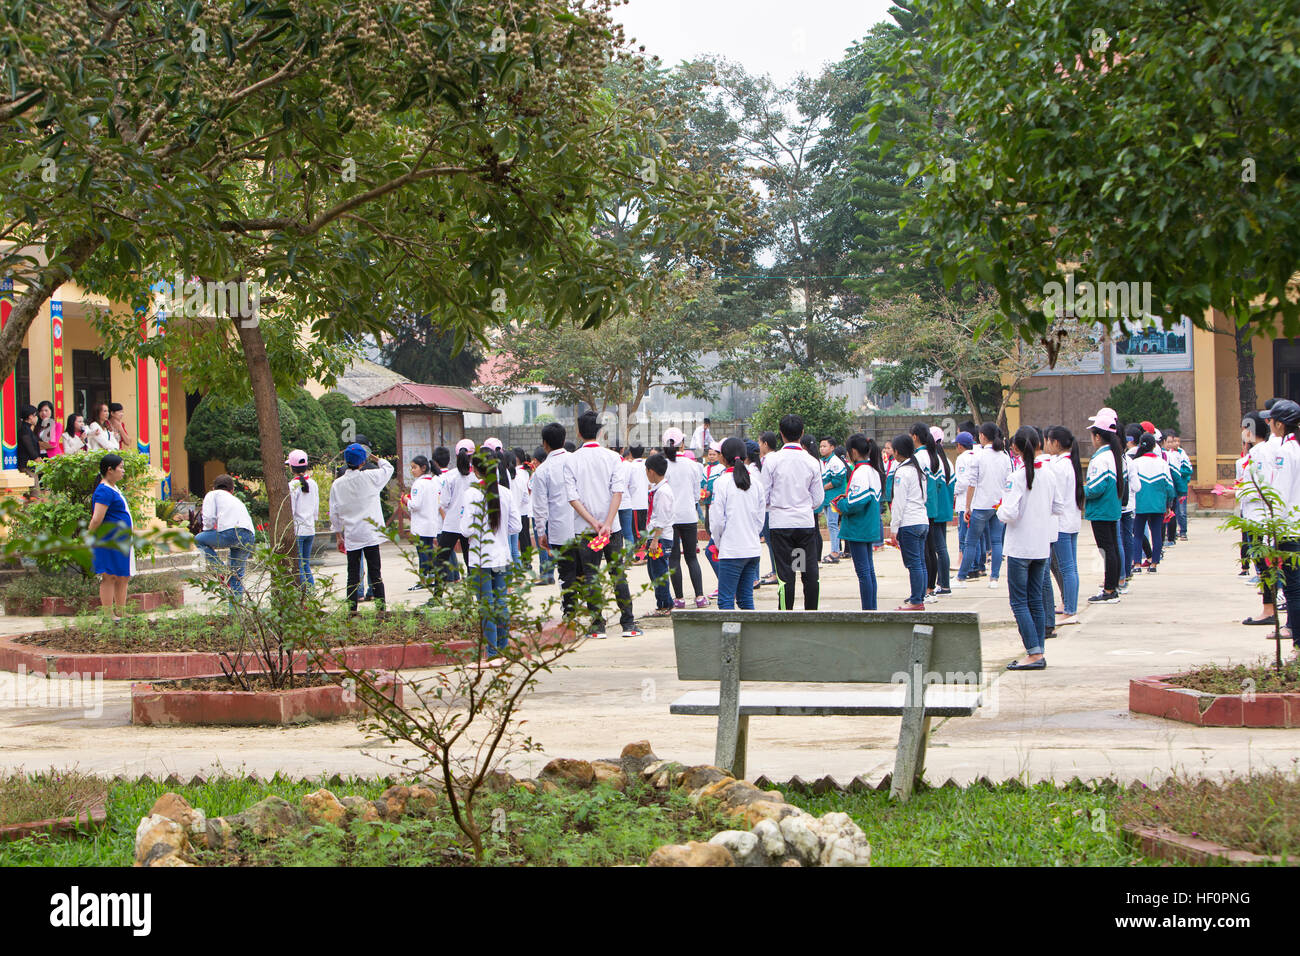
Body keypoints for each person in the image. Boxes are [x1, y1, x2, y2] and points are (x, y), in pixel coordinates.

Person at [564, 411, 640, 638]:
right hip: (611, 528)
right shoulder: (613, 458)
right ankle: (628, 624)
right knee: (618, 574)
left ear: (578, 432)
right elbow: (618, 491)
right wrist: (606, 523)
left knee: (590, 575)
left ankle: (597, 626)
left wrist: (593, 522)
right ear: (600, 431)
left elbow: (572, 497)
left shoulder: (571, 460)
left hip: (586, 529)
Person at [1001, 427, 1059, 671]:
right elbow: (1058, 507)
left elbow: (1009, 513)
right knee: (1036, 600)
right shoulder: (1049, 474)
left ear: (1015, 447)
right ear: (1038, 445)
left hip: (1019, 547)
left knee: (1019, 602)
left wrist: (998, 509)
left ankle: (1033, 652)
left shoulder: (1017, 477)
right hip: (1040, 545)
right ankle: (1039, 650)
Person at [762, 414, 825, 610]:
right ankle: (810, 614)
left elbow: (764, 495)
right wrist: (804, 506)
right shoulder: (812, 462)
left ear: (781, 434)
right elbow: (818, 499)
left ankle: (786, 616)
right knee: (806, 571)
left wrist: (776, 505)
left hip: (781, 526)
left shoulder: (772, 461)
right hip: (803, 525)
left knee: (785, 574)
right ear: (802, 433)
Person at [462, 448, 520, 658]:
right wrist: (501, 531)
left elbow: (466, 529)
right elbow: (516, 526)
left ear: (475, 470)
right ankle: (503, 649)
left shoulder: (471, 494)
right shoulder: (505, 493)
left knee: (486, 605)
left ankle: (492, 651)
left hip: (480, 559)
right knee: (501, 603)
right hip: (502, 556)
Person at [331, 443, 395, 615]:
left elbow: (334, 513)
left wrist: (339, 536)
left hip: (352, 535)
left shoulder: (337, 485)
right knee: (375, 573)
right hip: (370, 533)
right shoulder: (371, 477)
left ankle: (352, 611)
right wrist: (373, 457)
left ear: (345, 461)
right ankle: (381, 610)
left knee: (352, 574)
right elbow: (388, 467)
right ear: (362, 462)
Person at [1259, 400, 1300, 651]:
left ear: (1279, 424)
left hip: (1289, 529)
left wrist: (1271, 533)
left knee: (1294, 589)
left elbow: (1280, 495)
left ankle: (1297, 643)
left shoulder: (1286, 453)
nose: (1269, 424)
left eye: (1271, 420)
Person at [709, 436, 765, 610]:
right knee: (746, 599)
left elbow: (717, 521)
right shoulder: (755, 482)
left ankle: (730, 638)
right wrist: (751, 534)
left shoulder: (721, 482)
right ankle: (752, 637)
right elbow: (759, 519)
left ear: (723, 458)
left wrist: (719, 543)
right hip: (752, 549)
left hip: (732, 549)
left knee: (725, 601)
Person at [834, 433, 884, 610]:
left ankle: (867, 611)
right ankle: (872, 608)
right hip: (868, 526)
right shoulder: (873, 470)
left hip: (858, 528)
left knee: (863, 572)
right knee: (869, 570)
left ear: (853, 452)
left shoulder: (860, 472)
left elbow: (856, 503)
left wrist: (841, 503)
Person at [661, 427, 708, 609]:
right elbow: (697, 495)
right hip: (688, 515)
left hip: (670, 518)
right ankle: (699, 597)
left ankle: (679, 599)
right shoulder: (694, 466)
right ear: (682, 444)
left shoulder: (663, 466)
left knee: (673, 559)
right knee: (691, 558)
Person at [1084, 407, 1128, 604]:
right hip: (1112, 508)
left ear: (1098, 437)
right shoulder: (1115, 456)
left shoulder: (1100, 459)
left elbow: (1095, 488)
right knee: (1112, 548)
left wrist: (1079, 491)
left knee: (1107, 549)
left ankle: (1109, 589)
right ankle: (1114, 586)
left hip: (1100, 509)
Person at [532, 423, 576, 608]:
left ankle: (570, 609)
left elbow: (540, 506)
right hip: (583, 525)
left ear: (544, 444)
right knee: (586, 571)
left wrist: (541, 532)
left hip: (559, 529)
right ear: (564, 440)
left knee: (565, 573)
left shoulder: (542, 470)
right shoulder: (576, 460)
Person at [87, 453, 134, 621]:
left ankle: (121, 610)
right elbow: (97, 518)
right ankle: (108, 614)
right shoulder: (103, 490)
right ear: (109, 470)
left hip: (121, 540)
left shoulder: (113, 488)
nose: (123, 471)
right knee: (109, 575)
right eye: (120, 467)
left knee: (122, 575)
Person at [196, 474, 257, 600]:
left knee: (199, 539)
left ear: (214, 487)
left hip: (231, 533)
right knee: (236, 578)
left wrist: (208, 533)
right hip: (248, 536)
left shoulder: (212, 495)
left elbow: (208, 519)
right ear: (232, 490)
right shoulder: (236, 500)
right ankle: (236, 614)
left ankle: (221, 570)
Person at [1045, 426, 1083, 627]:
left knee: (1067, 567)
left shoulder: (1059, 467)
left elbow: (1054, 496)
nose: (1046, 445)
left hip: (1062, 523)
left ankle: (1070, 610)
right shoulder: (1068, 463)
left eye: (1048, 441)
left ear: (1056, 443)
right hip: (1071, 520)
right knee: (1070, 567)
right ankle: (1069, 606)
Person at [887, 433, 929, 610]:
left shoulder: (902, 472)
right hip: (922, 520)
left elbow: (899, 502)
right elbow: (924, 497)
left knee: (913, 563)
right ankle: (920, 596)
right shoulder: (918, 471)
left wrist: (893, 528)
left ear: (896, 452)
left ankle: (916, 600)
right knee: (920, 562)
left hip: (909, 522)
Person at [911, 424, 953, 600]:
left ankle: (934, 586)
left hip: (929, 508)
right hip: (938, 508)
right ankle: (938, 585)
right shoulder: (940, 459)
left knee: (931, 549)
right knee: (935, 548)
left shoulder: (922, 457)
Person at [1130, 431, 1174, 573]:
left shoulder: (1135, 463)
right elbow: (1169, 487)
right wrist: (1168, 505)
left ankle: (1136, 564)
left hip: (1139, 504)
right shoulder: (1162, 463)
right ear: (1154, 445)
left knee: (1137, 534)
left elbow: (1131, 484)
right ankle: (1154, 564)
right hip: (1158, 504)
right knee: (1156, 534)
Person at [436, 439, 476, 589]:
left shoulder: (450, 476)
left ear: (456, 455)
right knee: (470, 559)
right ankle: (472, 592)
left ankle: (437, 594)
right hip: (469, 522)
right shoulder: (476, 476)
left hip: (451, 523)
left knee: (441, 559)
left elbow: (444, 502)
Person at [642, 454, 677, 616]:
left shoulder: (663, 492)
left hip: (661, 538)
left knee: (659, 571)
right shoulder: (658, 489)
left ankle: (665, 605)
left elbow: (661, 518)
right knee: (654, 570)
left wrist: (655, 540)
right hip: (656, 536)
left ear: (651, 471)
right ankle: (663, 603)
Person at [404, 454, 443, 591]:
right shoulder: (433, 482)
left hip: (421, 525)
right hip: (431, 523)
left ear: (423, 468)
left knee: (422, 553)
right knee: (429, 551)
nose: (412, 470)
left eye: (414, 467)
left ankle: (423, 579)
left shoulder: (418, 484)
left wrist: (406, 501)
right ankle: (431, 577)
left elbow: (416, 505)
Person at [286, 449, 320, 588]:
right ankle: (311, 594)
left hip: (297, 529)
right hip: (310, 529)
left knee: (298, 566)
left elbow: (291, 510)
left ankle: (304, 595)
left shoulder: (292, 485)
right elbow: (316, 507)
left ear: (291, 468)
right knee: (306, 565)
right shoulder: (313, 483)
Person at [754, 431, 780, 588]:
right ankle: (777, 571)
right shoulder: (777, 458)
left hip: (771, 509)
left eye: (759, 442)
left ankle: (777, 573)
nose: (758, 445)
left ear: (765, 444)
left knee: (772, 542)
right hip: (797, 513)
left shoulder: (769, 461)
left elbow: (765, 488)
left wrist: (762, 505)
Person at [818, 435, 848, 564]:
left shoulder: (835, 462)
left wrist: (822, 488)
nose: (822, 449)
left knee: (832, 524)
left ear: (832, 447)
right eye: (821, 446)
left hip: (834, 499)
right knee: (831, 524)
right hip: (827, 499)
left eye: (825, 446)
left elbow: (837, 481)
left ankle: (835, 552)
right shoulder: (824, 461)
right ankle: (835, 550)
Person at [529, 445, 556, 585]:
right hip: (551, 513)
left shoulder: (538, 473)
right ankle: (550, 573)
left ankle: (544, 574)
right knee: (550, 544)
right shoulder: (552, 470)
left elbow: (531, 489)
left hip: (539, 514)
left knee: (543, 545)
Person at [952, 431, 978, 574]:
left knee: (964, 536)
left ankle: (966, 565)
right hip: (975, 501)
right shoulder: (976, 456)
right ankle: (977, 565)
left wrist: (954, 492)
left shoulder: (962, 459)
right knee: (975, 536)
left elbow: (962, 481)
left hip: (964, 502)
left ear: (960, 446)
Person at [1163, 429, 1192, 542]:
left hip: (1176, 488)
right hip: (1168, 488)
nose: (1172, 444)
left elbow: (1185, 471)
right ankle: (1170, 535)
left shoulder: (1179, 454)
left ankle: (1180, 533)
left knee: (1179, 512)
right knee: (1168, 512)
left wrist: (1181, 488)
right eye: (1169, 442)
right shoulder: (1162, 454)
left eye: (1173, 441)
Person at [624, 444, 649, 556]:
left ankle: (639, 554)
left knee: (636, 530)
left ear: (630, 453)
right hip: (644, 501)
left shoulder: (630, 466)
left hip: (634, 502)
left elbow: (628, 484)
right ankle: (642, 552)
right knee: (642, 528)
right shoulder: (646, 465)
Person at [16, 405, 40, 474]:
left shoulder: (27, 429)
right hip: (26, 466)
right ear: (30, 416)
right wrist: (37, 459)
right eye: (36, 416)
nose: (37, 418)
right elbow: (29, 447)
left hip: (30, 466)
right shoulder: (24, 430)